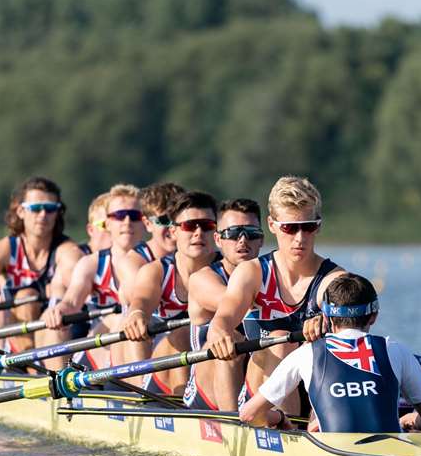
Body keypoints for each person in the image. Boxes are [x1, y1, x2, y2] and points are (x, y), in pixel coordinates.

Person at [205, 176, 347, 408]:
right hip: (261, 393)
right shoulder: (252, 273)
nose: (300, 238)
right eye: (290, 228)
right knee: (280, 341)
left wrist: (328, 319)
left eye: (308, 227)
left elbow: (354, 332)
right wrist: (220, 332)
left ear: (318, 225)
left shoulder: (334, 279)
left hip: (316, 392)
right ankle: (236, 424)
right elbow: (223, 319)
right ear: (272, 225)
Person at [239, 273, 421, 434]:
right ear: (374, 316)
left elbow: (248, 415)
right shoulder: (396, 350)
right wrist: (411, 420)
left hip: (332, 454)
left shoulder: (306, 354)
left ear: (326, 317)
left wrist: (281, 419)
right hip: (390, 451)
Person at [0, 176, 84, 352]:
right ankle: (29, 369)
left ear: (57, 213)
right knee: (24, 296)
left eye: (50, 209)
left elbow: (81, 288)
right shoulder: (5, 250)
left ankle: (38, 370)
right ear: (21, 212)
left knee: (28, 297)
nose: (43, 215)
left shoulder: (67, 251)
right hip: (9, 333)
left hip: (53, 331)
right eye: (36, 208)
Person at [120, 190, 219, 394]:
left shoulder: (230, 270)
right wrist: (137, 315)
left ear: (216, 232)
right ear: (174, 232)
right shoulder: (156, 271)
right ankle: (144, 398)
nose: (198, 233)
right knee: (181, 335)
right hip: (165, 370)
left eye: (207, 226)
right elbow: (142, 300)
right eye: (189, 226)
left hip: (210, 366)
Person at [41, 184, 150, 369]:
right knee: (57, 324)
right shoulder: (91, 264)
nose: (126, 222)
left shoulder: (156, 263)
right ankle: (58, 389)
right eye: (118, 215)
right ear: (107, 223)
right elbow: (72, 302)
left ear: (144, 222)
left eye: (134, 216)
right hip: (99, 348)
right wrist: (60, 310)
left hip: (144, 342)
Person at [182, 197, 263, 410]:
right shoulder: (202, 278)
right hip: (208, 394)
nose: (243, 241)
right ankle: (232, 427)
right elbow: (237, 303)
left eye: (251, 233)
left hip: (255, 381)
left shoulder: (272, 274)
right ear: (218, 239)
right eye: (234, 233)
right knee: (229, 340)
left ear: (262, 239)